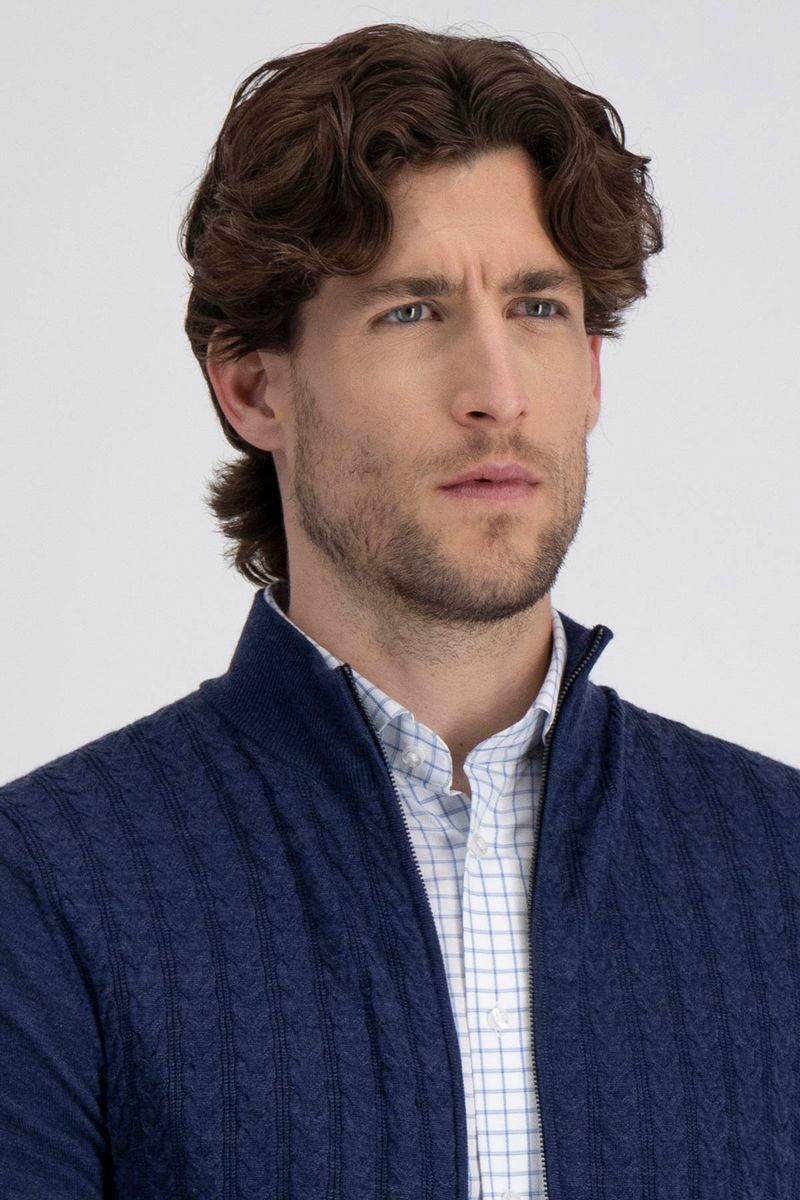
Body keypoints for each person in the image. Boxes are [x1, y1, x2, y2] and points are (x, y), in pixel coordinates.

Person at [1, 21, 798, 1200]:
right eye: (410, 312)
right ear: (252, 386)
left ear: (591, 372)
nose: (495, 393)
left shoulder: (778, 864)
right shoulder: (46, 889)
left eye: (537, 308)